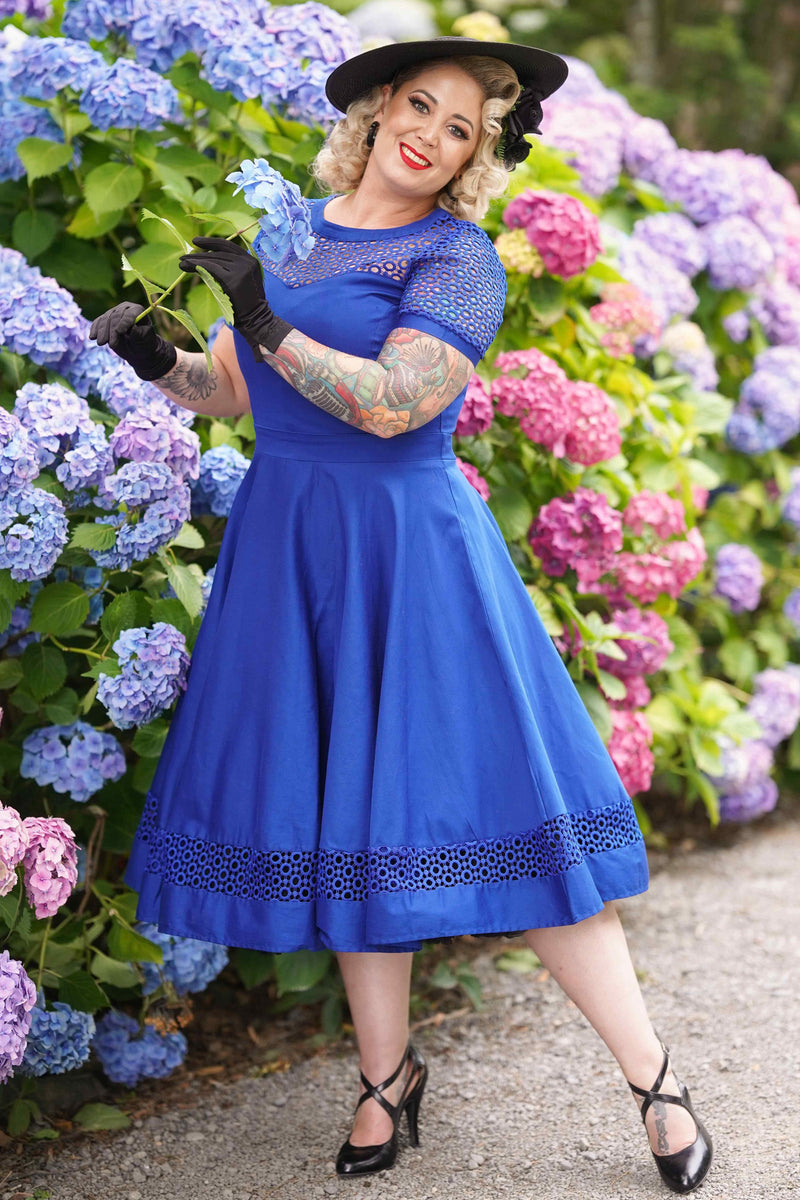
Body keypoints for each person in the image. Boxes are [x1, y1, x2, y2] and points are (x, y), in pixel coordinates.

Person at [88, 35, 713, 1192]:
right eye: (418, 105)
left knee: (515, 817)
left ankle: (652, 1078)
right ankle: (385, 1081)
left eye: (460, 127)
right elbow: (236, 392)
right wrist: (155, 356)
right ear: (377, 110)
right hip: (289, 550)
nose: (429, 132)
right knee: (350, 822)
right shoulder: (296, 234)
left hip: (411, 559)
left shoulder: (458, 257)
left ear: (475, 157)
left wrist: (269, 320)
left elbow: (390, 404)